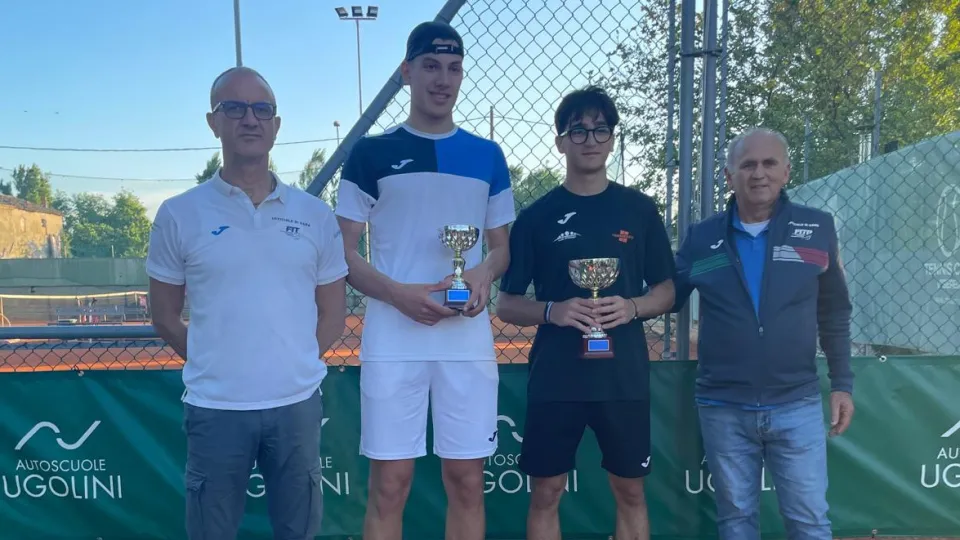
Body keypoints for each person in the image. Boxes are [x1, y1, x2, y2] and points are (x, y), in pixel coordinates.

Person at [146, 66, 348, 540]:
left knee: (297, 532)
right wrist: (218, 366)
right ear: (213, 122)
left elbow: (334, 314)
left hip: (296, 407)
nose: (249, 119)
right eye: (233, 108)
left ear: (277, 126)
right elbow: (164, 317)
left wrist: (291, 364)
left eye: (262, 109)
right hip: (214, 409)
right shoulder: (179, 214)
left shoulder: (315, 215)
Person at [333, 21, 515, 540]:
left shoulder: (488, 157)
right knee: (390, 483)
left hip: (466, 338)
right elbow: (342, 252)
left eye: (453, 68)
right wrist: (397, 293)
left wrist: (481, 271)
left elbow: (501, 247)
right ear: (406, 72)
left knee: (466, 480)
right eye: (431, 66)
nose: (443, 79)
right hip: (393, 336)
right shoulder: (369, 153)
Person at [496, 85, 676, 540]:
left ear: (613, 138)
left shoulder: (639, 209)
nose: (590, 139)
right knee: (546, 491)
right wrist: (553, 310)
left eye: (600, 129)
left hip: (623, 376)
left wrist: (632, 306)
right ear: (560, 141)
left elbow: (666, 292)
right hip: (557, 376)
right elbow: (507, 303)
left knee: (630, 491)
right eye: (578, 130)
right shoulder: (537, 218)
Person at [671, 128, 855, 539]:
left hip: (797, 403)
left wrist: (842, 384)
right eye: (748, 164)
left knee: (809, 521)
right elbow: (669, 294)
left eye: (769, 163)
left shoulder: (817, 228)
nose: (759, 173)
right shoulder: (703, 239)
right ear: (728, 175)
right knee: (736, 521)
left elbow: (834, 311)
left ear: (786, 171)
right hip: (723, 404)